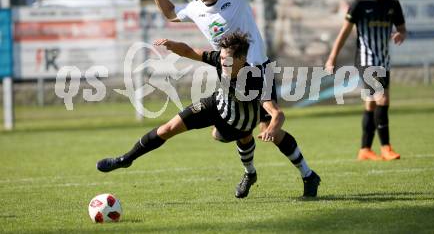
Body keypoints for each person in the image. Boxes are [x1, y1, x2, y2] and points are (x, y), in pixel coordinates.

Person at [146, 0, 320, 197]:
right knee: (230, 131)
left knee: (269, 127)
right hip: (228, 75)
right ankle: (250, 174)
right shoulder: (194, 8)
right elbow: (169, 13)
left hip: (258, 72)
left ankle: (308, 175)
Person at [97, 32, 320, 198]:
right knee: (168, 129)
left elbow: (276, 114)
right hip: (216, 104)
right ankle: (126, 159)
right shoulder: (220, 59)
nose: (223, 61)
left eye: (228, 59)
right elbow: (190, 52)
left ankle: (285, 174)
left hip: (241, 117)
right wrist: (173, 45)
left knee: (230, 135)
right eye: (222, 57)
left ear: (242, 59)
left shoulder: (255, 80)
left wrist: (271, 129)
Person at [325, 0, 407, 161]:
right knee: (382, 99)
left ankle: (364, 149)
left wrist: (400, 35)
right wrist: (331, 58)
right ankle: (386, 147)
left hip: (384, 61)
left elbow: (402, 29)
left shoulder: (393, 4)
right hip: (365, 60)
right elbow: (344, 33)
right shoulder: (360, 4)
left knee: (371, 104)